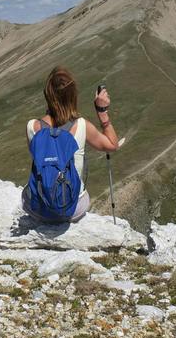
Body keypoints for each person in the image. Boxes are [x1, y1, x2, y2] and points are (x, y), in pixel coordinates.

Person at [22, 66, 120, 222]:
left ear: (47, 95)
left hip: (40, 210)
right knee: (82, 195)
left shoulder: (32, 127)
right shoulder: (81, 125)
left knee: (27, 192)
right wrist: (102, 111)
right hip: (73, 209)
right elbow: (112, 145)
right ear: (73, 95)